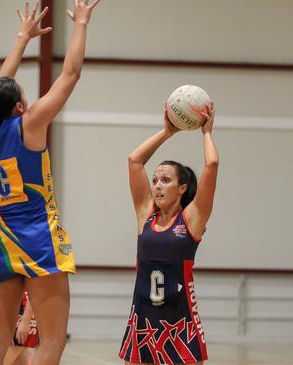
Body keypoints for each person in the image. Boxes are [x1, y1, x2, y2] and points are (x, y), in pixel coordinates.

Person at [0, 0, 100, 364]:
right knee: (52, 341)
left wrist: (21, 38)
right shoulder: (30, 124)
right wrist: (82, 24)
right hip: (38, 237)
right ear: (18, 106)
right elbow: (71, 74)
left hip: (0, 236)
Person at [119, 103, 218, 364]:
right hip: (143, 319)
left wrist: (206, 132)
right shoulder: (145, 215)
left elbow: (212, 165)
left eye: (166, 180)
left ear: (182, 187)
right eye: (155, 181)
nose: (158, 186)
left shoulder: (192, 219)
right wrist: (167, 132)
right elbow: (134, 161)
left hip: (180, 321)